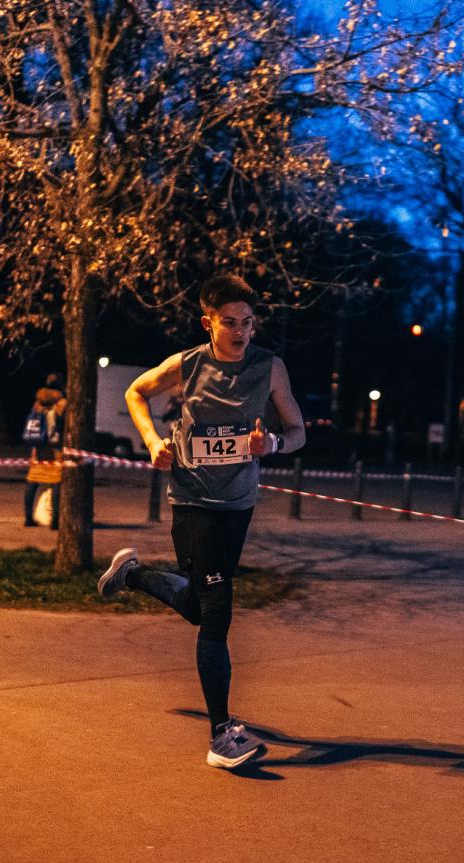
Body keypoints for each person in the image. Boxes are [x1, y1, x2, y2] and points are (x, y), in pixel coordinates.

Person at [97, 274, 305, 770]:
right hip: (193, 502)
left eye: (248, 322)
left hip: (239, 505)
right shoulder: (187, 365)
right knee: (217, 613)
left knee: (199, 606)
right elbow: (135, 393)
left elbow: (298, 430)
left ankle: (132, 575)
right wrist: (152, 442)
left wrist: (273, 444)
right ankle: (222, 736)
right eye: (229, 322)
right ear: (207, 323)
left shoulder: (270, 367)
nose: (241, 332)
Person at [21, 382, 65, 529]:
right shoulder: (61, 405)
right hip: (55, 450)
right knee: (56, 482)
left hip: (38, 450)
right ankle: (55, 520)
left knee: (32, 482)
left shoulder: (37, 405)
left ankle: (28, 517)